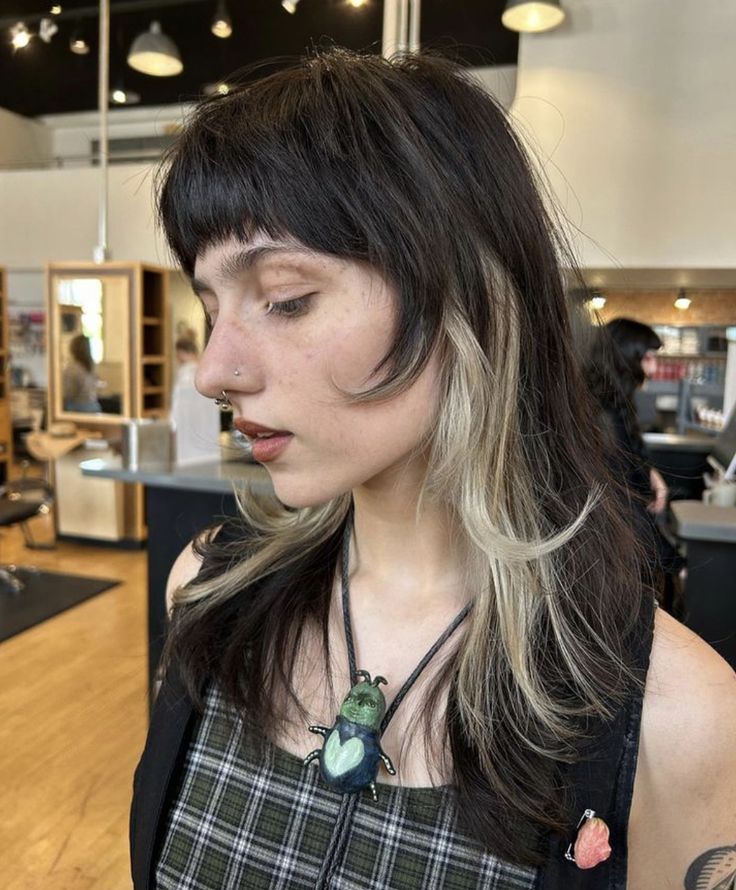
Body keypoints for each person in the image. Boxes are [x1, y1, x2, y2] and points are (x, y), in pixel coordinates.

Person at [131, 50, 736, 890]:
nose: (214, 370)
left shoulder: (679, 718)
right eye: (210, 307)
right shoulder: (206, 591)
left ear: (471, 296)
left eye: (285, 298)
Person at [170, 335, 222, 465]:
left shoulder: (185, 373)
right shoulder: (207, 370)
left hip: (188, 440)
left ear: (181, 352)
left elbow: (177, 407)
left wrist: (172, 425)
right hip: (209, 442)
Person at [61, 334, 101, 413]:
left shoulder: (72, 368)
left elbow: (68, 393)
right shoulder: (91, 366)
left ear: (73, 348)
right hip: (94, 407)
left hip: (78, 410)